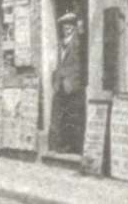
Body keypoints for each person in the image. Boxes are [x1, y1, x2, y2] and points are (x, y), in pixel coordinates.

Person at [50, 12, 85, 154]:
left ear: (74, 27)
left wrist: (80, 28)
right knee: (61, 116)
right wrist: (55, 81)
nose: (67, 28)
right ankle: (61, 145)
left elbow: (82, 38)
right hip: (60, 85)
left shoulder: (77, 41)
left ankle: (74, 146)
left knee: (73, 116)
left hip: (72, 85)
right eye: (65, 26)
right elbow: (58, 64)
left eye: (70, 25)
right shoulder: (60, 43)